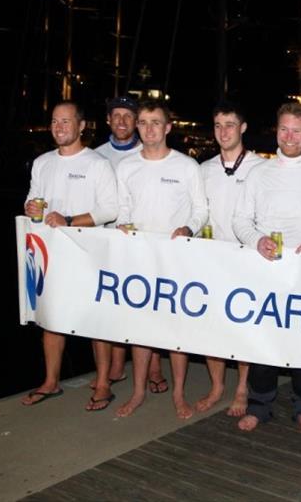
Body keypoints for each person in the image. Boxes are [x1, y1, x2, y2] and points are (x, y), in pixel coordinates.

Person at [233, 102, 301, 439]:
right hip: (265, 269)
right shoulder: (258, 172)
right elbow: (240, 220)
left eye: (297, 130)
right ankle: (259, 406)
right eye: (284, 129)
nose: (289, 136)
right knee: (263, 343)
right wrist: (257, 240)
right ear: (276, 130)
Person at [114, 99, 208, 419]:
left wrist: (189, 227)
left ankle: (179, 395)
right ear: (137, 127)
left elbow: (201, 210)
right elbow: (122, 208)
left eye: (156, 122)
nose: (149, 129)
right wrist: (121, 225)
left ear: (168, 128)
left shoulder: (186, 166)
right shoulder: (126, 166)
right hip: (138, 260)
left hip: (175, 261)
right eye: (143, 122)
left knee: (174, 331)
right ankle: (138, 392)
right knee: (140, 329)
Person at [22, 100, 118, 411]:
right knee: (50, 319)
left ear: (81, 126)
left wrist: (71, 220)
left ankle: (103, 384)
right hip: (50, 252)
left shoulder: (97, 164)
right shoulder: (42, 162)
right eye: (54, 121)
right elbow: (33, 199)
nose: (59, 127)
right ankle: (51, 381)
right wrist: (31, 208)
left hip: (88, 252)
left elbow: (110, 209)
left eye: (66, 121)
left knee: (96, 321)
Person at [196, 102, 265, 416]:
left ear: (243, 128)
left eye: (229, 124)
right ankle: (217, 386)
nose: (223, 131)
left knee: (242, 328)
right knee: (212, 329)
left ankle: (241, 389)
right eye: (218, 125)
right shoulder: (204, 169)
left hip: (246, 261)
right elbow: (196, 214)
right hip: (211, 260)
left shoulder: (259, 169)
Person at [92, 95, 143, 388]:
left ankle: (142, 368)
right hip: (104, 243)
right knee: (104, 306)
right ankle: (110, 368)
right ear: (108, 120)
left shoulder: (148, 153)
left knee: (136, 307)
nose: (122, 121)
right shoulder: (95, 156)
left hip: (138, 244)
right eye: (117, 115)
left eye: (128, 116)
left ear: (136, 121)